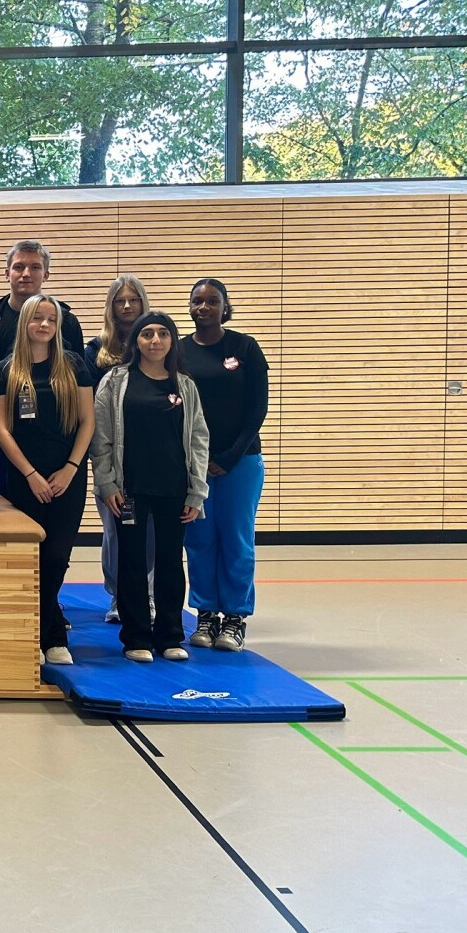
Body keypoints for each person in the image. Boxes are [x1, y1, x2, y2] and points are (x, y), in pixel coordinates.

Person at [90, 313, 209, 663]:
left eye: (162, 334)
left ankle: (171, 635)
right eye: (146, 334)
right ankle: (136, 637)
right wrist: (107, 482)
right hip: (129, 491)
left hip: (174, 489)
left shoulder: (184, 385)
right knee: (131, 561)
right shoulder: (115, 382)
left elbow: (200, 438)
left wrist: (196, 491)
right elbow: (102, 438)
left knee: (171, 562)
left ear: (172, 340)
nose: (154, 340)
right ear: (135, 342)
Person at [0, 295, 95, 665]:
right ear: (26, 323)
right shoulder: (6, 370)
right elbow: (1, 428)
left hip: (67, 476)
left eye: (51, 319)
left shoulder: (74, 366)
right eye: (38, 319)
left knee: (56, 556)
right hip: (24, 478)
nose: (45, 325)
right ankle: (34, 633)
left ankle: (50, 633)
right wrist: (30, 474)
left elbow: (88, 422)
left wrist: (71, 467)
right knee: (29, 558)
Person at [181, 278, 269, 653]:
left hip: (240, 462)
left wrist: (230, 456)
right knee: (199, 539)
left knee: (235, 538)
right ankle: (205, 613)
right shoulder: (179, 351)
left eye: (211, 301)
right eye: (197, 301)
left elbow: (257, 407)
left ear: (225, 306)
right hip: (194, 464)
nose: (204, 307)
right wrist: (196, 460)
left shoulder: (244, 348)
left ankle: (234, 617)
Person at [0, 240, 85, 496]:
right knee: (8, 515)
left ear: (46, 274)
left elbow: (79, 384)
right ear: (6, 272)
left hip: (56, 437)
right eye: (18, 267)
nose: (26, 274)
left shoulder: (67, 322)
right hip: (2, 438)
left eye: (35, 267)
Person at [82, 274, 153, 623]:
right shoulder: (96, 351)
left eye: (133, 300)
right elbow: (91, 409)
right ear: (110, 307)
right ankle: (117, 596)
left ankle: (147, 595)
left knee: (149, 529)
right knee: (114, 528)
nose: (126, 307)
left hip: (150, 455)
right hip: (109, 454)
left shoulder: (157, 345)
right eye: (119, 301)